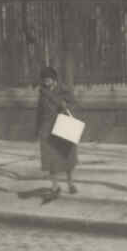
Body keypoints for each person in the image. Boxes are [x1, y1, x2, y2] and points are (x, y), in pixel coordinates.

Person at [35, 64, 78, 201]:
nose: (46, 81)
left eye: (48, 78)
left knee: (67, 156)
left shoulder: (63, 90)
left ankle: (70, 183)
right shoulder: (42, 93)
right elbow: (39, 112)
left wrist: (64, 104)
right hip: (47, 128)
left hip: (63, 125)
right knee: (50, 159)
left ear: (54, 79)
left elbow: (74, 104)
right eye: (44, 79)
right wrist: (37, 129)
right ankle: (55, 186)